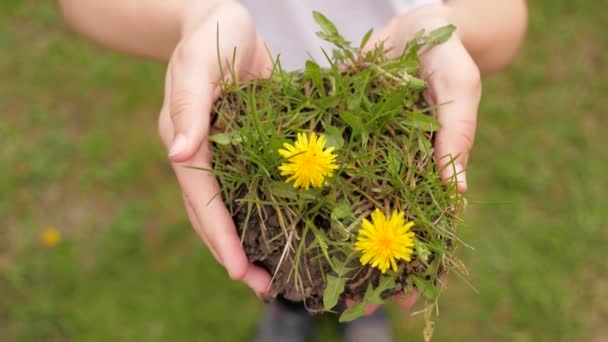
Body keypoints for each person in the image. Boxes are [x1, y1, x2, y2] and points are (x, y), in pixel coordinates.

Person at [57, 0, 527, 341]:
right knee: (281, 242)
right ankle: (290, 305)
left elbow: (506, 20)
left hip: (392, 75)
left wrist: (436, 26)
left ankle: (360, 305)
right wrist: (198, 18)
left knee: (361, 255)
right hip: (254, 80)